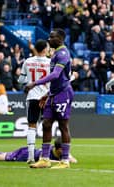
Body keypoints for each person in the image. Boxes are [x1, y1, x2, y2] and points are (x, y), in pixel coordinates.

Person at [25, 28, 74, 169]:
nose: (49, 39)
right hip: (53, 93)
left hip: (63, 93)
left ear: (60, 39)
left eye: (52, 37)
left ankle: (65, 161)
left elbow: (56, 75)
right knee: (46, 124)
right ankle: (45, 159)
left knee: (63, 126)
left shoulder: (63, 54)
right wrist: (46, 94)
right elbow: (54, 80)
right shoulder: (55, 54)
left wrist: (34, 83)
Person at [18, 39, 51, 164]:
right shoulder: (50, 62)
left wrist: (29, 79)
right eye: (47, 48)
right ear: (44, 50)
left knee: (31, 126)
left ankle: (30, 156)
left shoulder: (28, 61)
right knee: (47, 126)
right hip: (46, 96)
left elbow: (21, 80)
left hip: (32, 96)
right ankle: (44, 156)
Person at [0, 137, 77, 163]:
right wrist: (60, 162)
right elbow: (44, 160)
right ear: (57, 149)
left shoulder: (63, 152)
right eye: (64, 149)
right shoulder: (47, 151)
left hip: (31, 151)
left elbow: (74, 161)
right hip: (25, 155)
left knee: (3, 154)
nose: (66, 151)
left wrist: (68, 158)